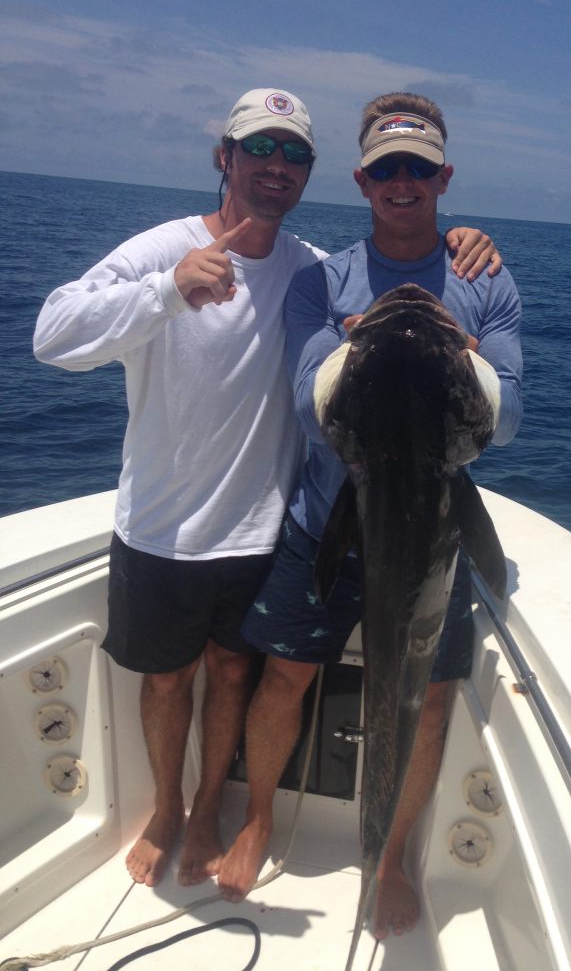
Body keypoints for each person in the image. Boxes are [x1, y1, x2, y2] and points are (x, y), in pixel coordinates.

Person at [32, 87, 503, 892]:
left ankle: (216, 803)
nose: (276, 166)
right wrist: (169, 290)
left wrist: (459, 245)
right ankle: (170, 809)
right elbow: (51, 335)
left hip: (259, 524)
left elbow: (397, 302)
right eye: (261, 149)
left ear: (313, 173)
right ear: (226, 156)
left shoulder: (314, 270)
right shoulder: (164, 250)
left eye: (293, 155)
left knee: (236, 673)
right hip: (161, 523)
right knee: (167, 678)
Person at [217, 92, 523, 942]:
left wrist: (454, 360)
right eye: (386, 168)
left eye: (418, 168)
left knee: (425, 697)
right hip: (331, 518)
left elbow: (510, 416)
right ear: (361, 179)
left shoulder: (486, 277)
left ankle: (386, 860)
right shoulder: (323, 278)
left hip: (434, 537)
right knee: (283, 674)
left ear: (443, 177)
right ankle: (257, 819)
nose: (402, 181)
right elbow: (313, 404)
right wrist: (373, 349)